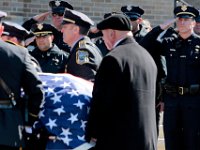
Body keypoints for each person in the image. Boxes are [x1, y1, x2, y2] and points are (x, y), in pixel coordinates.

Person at [85, 13, 157, 150]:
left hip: (120, 140)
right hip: (146, 139)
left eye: (104, 35)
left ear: (112, 33)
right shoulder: (146, 56)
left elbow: (102, 100)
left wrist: (93, 132)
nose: (104, 39)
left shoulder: (113, 59)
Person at [141, 5, 200, 150]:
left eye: (186, 19)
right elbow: (144, 44)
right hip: (172, 101)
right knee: (172, 141)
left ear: (194, 22)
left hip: (194, 101)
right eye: (179, 19)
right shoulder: (169, 42)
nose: (182, 22)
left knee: (192, 141)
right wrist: (161, 27)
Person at [0, 11, 44, 149]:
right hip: (7, 129)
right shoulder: (18, 53)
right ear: (1, 30)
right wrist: (30, 118)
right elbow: (36, 91)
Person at [61, 8, 102, 82]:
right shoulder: (88, 46)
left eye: (65, 27)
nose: (62, 30)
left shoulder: (82, 51)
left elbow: (86, 81)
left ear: (76, 30)